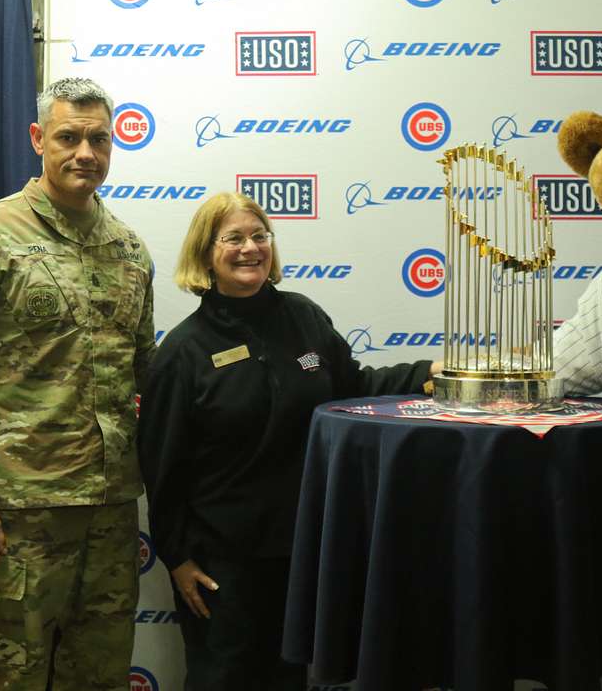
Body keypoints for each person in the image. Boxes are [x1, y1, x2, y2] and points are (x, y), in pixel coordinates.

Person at [138, 192, 439, 691]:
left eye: (259, 236)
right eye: (233, 238)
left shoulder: (303, 316)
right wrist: (178, 557)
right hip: (221, 564)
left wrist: (425, 372)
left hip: (302, 549)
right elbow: (161, 465)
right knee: (226, 679)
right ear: (205, 252)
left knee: (289, 676)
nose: (249, 248)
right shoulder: (183, 352)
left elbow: (353, 386)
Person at [0, 77, 154, 690]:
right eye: (69, 137)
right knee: (8, 679)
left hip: (110, 508)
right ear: (37, 139)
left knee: (98, 676)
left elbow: (145, 374)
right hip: (19, 511)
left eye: (99, 139)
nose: (85, 153)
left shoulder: (129, 251)